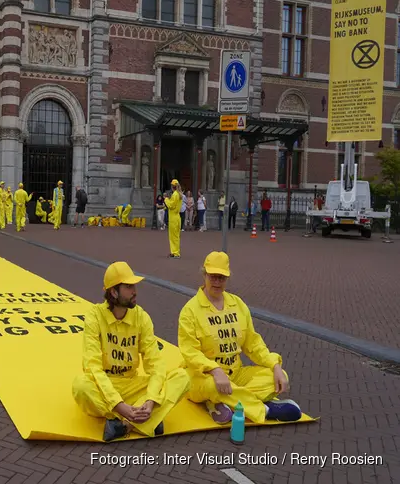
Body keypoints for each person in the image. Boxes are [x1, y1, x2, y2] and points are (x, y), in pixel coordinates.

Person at [177, 251, 302, 425]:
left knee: (280, 377)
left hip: (235, 374)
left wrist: (275, 365)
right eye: (213, 276)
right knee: (212, 387)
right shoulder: (189, 311)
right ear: (204, 274)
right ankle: (265, 409)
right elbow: (189, 352)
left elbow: (253, 343)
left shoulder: (238, 304)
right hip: (202, 377)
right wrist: (215, 370)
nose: (217, 282)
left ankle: (220, 403)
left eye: (222, 278)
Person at [72, 262, 191, 442]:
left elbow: (155, 364)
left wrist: (150, 400)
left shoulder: (141, 317)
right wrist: (119, 405)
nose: (135, 291)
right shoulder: (94, 317)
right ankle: (149, 419)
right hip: (105, 385)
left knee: (182, 377)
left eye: (134, 286)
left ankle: (123, 425)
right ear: (113, 292)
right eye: (128, 287)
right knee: (80, 386)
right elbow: (93, 367)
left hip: (132, 384)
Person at [164, 179, 182, 258]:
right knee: (176, 236)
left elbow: (171, 205)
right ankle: (175, 251)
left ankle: (175, 253)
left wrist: (166, 199)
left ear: (172, 186)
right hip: (177, 216)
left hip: (173, 217)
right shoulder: (179, 194)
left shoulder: (175, 194)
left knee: (173, 236)